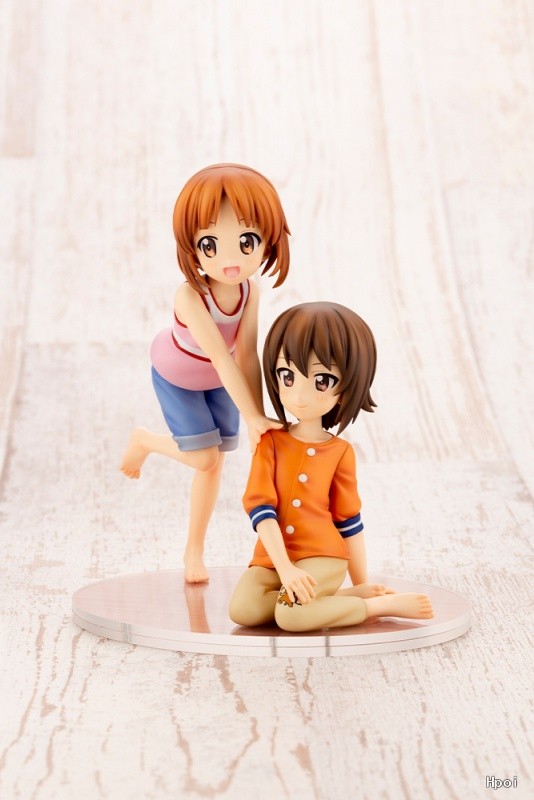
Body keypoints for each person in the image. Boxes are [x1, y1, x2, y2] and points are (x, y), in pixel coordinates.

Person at [120, 164, 290, 583]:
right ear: (191, 247)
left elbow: (246, 354)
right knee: (203, 456)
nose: (230, 260)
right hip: (178, 376)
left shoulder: (249, 291)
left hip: (217, 382)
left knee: (213, 465)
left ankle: (193, 551)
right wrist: (251, 416)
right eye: (210, 244)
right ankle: (146, 440)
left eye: (246, 242)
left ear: (267, 240)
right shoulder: (190, 295)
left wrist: (258, 417)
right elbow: (220, 356)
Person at [229, 302, 434, 631]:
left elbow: (349, 521)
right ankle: (334, 599)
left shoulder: (340, 451)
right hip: (272, 558)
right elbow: (260, 508)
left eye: (322, 380)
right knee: (244, 610)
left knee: (291, 615)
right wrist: (286, 569)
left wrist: (365, 585)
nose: (300, 395)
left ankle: (375, 606)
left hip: (322, 556)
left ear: (347, 387)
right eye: (287, 376)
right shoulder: (268, 442)